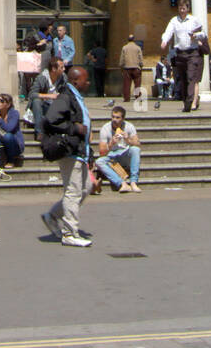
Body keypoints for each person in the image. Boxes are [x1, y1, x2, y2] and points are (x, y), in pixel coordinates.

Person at [40, 66, 93, 247]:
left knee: (86, 187)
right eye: (86, 79)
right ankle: (70, 233)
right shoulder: (65, 97)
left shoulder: (77, 98)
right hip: (70, 152)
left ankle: (53, 216)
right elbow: (49, 120)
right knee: (73, 191)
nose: (89, 82)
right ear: (76, 81)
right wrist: (74, 129)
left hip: (80, 152)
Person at [160, 0, 205, 113]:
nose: (182, 10)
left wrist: (195, 35)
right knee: (183, 78)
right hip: (180, 53)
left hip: (192, 53)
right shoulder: (174, 21)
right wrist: (164, 41)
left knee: (191, 76)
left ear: (187, 9)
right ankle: (186, 101)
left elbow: (203, 34)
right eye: (180, 8)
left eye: (184, 8)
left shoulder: (194, 20)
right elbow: (168, 32)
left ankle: (190, 100)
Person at [96, 105, 141, 193]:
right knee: (99, 161)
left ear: (123, 118)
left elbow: (138, 144)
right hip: (112, 157)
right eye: (113, 117)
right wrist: (111, 143)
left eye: (117, 117)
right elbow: (101, 152)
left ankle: (133, 182)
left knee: (135, 150)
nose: (114, 120)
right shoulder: (105, 129)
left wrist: (127, 139)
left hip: (125, 154)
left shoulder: (129, 126)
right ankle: (122, 183)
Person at [28, 55, 66, 138]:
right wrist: (49, 96)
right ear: (54, 69)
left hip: (56, 106)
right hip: (44, 105)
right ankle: (39, 132)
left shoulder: (63, 78)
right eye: (61, 67)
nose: (64, 69)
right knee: (36, 101)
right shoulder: (42, 78)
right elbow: (32, 94)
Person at [119, 34, 144, 103]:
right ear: (134, 39)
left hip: (127, 68)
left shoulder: (124, 48)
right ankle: (138, 97)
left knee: (126, 85)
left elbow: (122, 58)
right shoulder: (138, 48)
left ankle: (127, 98)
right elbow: (140, 58)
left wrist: (121, 66)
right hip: (136, 68)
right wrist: (141, 65)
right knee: (137, 84)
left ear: (128, 39)